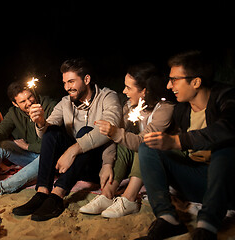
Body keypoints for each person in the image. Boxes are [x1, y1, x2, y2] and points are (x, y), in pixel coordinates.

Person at [136, 50, 235, 240]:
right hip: (198, 182)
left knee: (225, 146)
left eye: (174, 80)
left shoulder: (227, 97)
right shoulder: (182, 110)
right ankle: (168, 219)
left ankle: (207, 228)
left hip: (227, 183)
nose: (168, 85)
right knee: (148, 147)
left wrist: (177, 141)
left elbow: (228, 128)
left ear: (196, 82)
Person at [12, 58, 122, 221]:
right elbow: (46, 133)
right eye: (65, 83)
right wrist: (41, 122)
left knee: (86, 131)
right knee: (51, 132)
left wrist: (72, 150)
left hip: (96, 164)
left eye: (71, 81)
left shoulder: (108, 97)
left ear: (86, 79)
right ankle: (42, 192)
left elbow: (109, 130)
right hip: (75, 166)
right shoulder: (65, 103)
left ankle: (58, 195)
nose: (67, 87)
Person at [79, 63, 175, 218]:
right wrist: (108, 163)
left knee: (144, 145)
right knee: (124, 145)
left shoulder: (165, 109)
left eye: (128, 88)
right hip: (137, 155)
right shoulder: (130, 106)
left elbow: (141, 141)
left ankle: (129, 198)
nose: (124, 91)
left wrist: (115, 132)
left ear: (144, 91)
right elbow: (116, 137)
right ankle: (107, 194)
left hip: (163, 162)